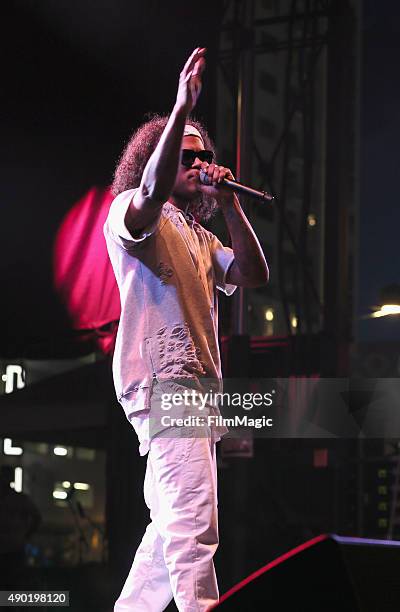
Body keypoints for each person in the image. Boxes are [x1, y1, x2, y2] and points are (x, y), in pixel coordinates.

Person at [104, 47, 269, 612]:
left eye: (204, 157)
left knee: (165, 539)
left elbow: (253, 272)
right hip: (165, 384)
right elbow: (151, 193)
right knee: (194, 530)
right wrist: (181, 110)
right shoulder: (134, 208)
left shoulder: (200, 237)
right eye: (185, 156)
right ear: (160, 157)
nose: (198, 165)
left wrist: (229, 205)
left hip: (197, 393)